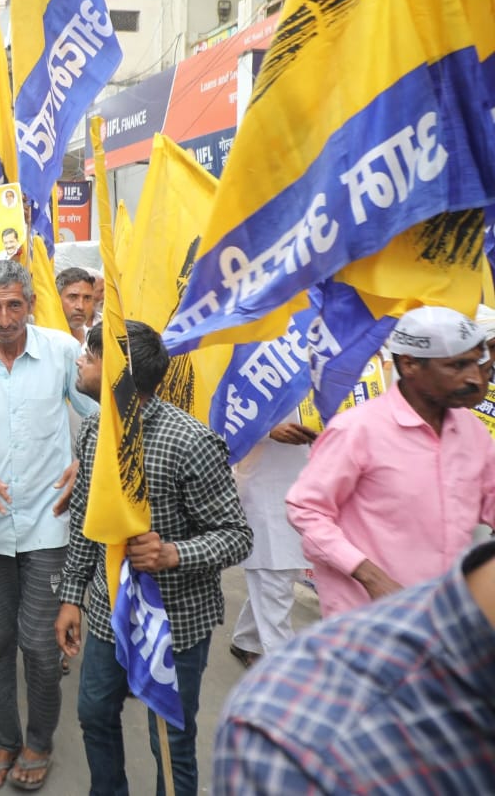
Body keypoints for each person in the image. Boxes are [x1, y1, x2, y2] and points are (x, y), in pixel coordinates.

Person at [57, 319, 253, 796]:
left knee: (171, 739)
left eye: (92, 353)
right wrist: (70, 598)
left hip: (177, 623)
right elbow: (87, 520)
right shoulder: (92, 434)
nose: (81, 360)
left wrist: (173, 553)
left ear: (116, 373)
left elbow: (237, 537)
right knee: (94, 714)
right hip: (109, 613)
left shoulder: (191, 442)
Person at [0, 260, 98, 791]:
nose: (3, 318)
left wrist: (86, 457)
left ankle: (40, 742)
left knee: (41, 644)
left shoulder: (60, 351)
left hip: (48, 524)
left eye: (13, 305)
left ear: (29, 304)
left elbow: (102, 407)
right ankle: (6, 740)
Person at [214, 539, 495, 793]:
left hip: (309, 560)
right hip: (332, 576)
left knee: (272, 599)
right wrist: (369, 574)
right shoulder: (301, 746)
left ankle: (246, 642)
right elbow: (306, 508)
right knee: (272, 603)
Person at [286, 306, 495, 618]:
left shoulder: (472, 431)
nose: (475, 379)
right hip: (365, 620)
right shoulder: (358, 429)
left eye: (479, 365)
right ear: (410, 364)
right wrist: (371, 577)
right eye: (457, 366)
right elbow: (306, 510)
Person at [229, 417, 314, 667]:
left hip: (306, 490)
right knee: (274, 578)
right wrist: (267, 430)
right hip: (265, 491)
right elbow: (222, 420)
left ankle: (246, 640)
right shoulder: (247, 377)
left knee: (279, 578)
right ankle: (282, 674)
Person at [56, 268, 96, 345]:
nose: (80, 306)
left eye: (87, 298)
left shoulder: (97, 343)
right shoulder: (38, 338)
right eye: (73, 297)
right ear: (57, 298)